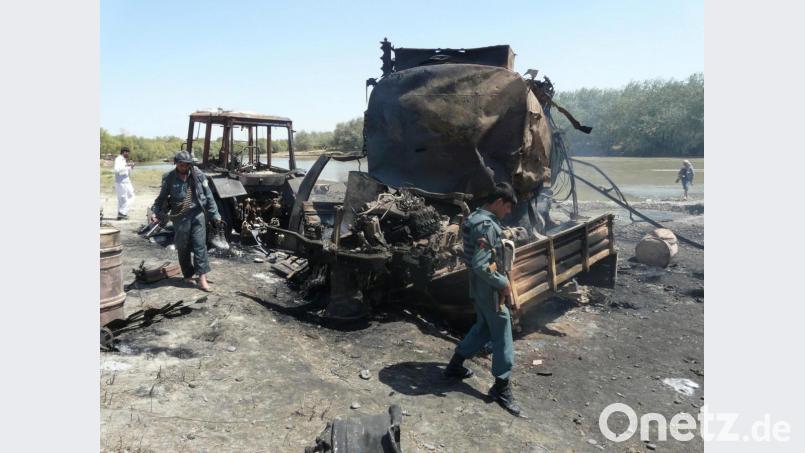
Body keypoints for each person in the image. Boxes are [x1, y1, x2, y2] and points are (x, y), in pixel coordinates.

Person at [444, 182, 522, 416]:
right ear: (498, 202)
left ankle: (455, 366)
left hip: (478, 287)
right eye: (507, 207)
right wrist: (503, 283)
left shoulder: (476, 216)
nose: (508, 212)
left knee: (484, 327)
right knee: (503, 330)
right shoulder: (486, 225)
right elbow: (480, 264)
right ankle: (501, 386)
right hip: (489, 289)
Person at [150, 151, 222, 292]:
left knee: (200, 245)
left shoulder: (198, 175)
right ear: (176, 163)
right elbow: (162, 197)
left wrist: (215, 215)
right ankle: (188, 274)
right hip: (180, 217)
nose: (184, 167)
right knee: (182, 246)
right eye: (181, 164)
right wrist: (155, 211)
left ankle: (202, 278)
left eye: (187, 164)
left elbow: (208, 196)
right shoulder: (169, 178)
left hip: (197, 215)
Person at [114, 146, 135, 220]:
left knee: (122, 199)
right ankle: (122, 212)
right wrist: (127, 165)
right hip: (122, 182)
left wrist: (130, 167)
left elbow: (125, 170)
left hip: (125, 182)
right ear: (124, 152)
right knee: (131, 197)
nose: (128, 154)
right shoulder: (119, 159)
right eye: (128, 153)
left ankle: (120, 214)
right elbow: (117, 170)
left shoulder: (123, 160)